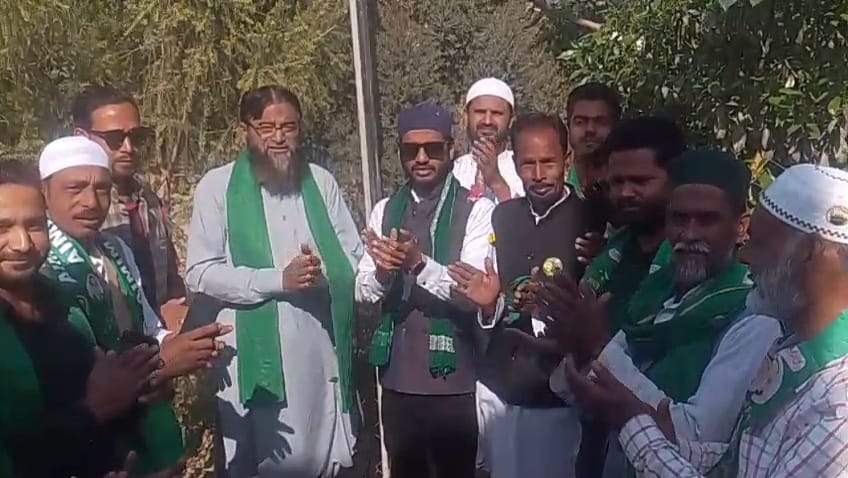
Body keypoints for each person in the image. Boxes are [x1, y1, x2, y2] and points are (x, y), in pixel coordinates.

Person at [572, 164, 848, 477]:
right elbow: (739, 462)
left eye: (759, 243)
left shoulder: (838, 408)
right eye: (678, 218)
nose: (745, 256)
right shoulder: (788, 350)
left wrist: (634, 423)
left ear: (810, 252)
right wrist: (648, 421)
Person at [548, 150, 780, 477]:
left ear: (741, 228)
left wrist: (598, 348)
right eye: (679, 219)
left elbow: (697, 437)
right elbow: (582, 393)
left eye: (707, 220)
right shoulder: (656, 292)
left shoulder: (752, 315)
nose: (689, 234)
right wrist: (573, 349)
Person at [185, 85, 363, 477]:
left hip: (318, 353)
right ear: (244, 130)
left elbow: (353, 258)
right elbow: (200, 271)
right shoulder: (217, 187)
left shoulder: (320, 182)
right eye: (266, 128)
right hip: (249, 361)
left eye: (289, 127)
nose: (279, 137)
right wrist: (278, 280)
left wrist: (320, 272)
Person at [39, 136, 228, 475]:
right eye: (75, 188)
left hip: (139, 421)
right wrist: (161, 366)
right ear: (45, 194)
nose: (90, 201)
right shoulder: (40, 263)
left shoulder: (115, 249)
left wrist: (184, 344)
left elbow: (147, 327)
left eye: (101, 189)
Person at [0, 160, 181, 478]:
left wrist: (140, 388)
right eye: (3, 228)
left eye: (34, 226)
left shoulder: (61, 304)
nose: (22, 244)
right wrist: (95, 408)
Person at [449, 113, 605, 477]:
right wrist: (490, 303)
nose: (538, 175)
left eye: (548, 163)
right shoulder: (503, 217)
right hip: (500, 384)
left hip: (557, 393)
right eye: (528, 164)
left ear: (566, 160)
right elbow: (497, 300)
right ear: (514, 163)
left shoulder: (591, 219)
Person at [356, 103, 495, 478]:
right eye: (410, 150)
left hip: (455, 381)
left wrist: (419, 265)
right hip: (398, 381)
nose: (421, 158)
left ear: (451, 149)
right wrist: (383, 272)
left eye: (432, 149)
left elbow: (471, 291)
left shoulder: (477, 209)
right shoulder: (385, 210)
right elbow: (363, 291)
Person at [565, 116, 687, 477]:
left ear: (675, 179)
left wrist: (597, 344)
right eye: (617, 182)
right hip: (597, 439)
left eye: (640, 181)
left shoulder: (691, 266)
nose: (625, 193)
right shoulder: (615, 253)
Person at [71, 86, 187, 330]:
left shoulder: (149, 197)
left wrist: (177, 309)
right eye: (115, 139)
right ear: (81, 137)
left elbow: (168, 274)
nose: (128, 147)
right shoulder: (77, 210)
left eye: (136, 137)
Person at [452, 78, 524, 202]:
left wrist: (496, 181)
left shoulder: (523, 168)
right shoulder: (455, 170)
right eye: (480, 112)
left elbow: (527, 213)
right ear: (466, 116)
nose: (487, 121)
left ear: (511, 120)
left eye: (497, 113)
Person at [564, 82, 621, 198]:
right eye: (580, 122)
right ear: (569, 126)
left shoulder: (628, 193)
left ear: (616, 127)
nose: (590, 129)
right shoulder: (554, 190)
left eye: (601, 122)